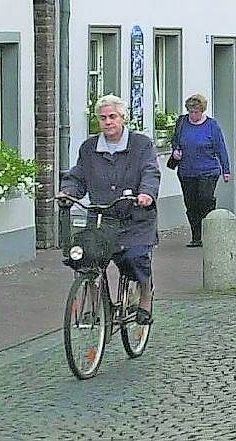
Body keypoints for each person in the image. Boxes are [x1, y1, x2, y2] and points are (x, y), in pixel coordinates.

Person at [58, 94, 161, 324]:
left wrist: (146, 194)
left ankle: (145, 293)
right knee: (86, 259)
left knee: (135, 258)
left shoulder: (141, 145)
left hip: (134, 217)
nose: (108, 122)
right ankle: (95, 305)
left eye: (112, 116)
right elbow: (78, 176)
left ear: (123, 118)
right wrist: (68, 192)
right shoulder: (89, 148)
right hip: (101, 220)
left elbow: (150, 171)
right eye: (103, 118)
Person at [171, 93, 231, 248]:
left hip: (208, 170)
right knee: (191, 204)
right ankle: (196, 236)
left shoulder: (212, 125)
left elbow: (221, 147)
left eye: (196, 112)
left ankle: (210, 231)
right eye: (191, 112)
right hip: (187, 171)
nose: (193, 115)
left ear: (202, 110)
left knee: (205, 199)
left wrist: (226, 170)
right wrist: (175, 150)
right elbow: (175, 140)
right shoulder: (182, 122)